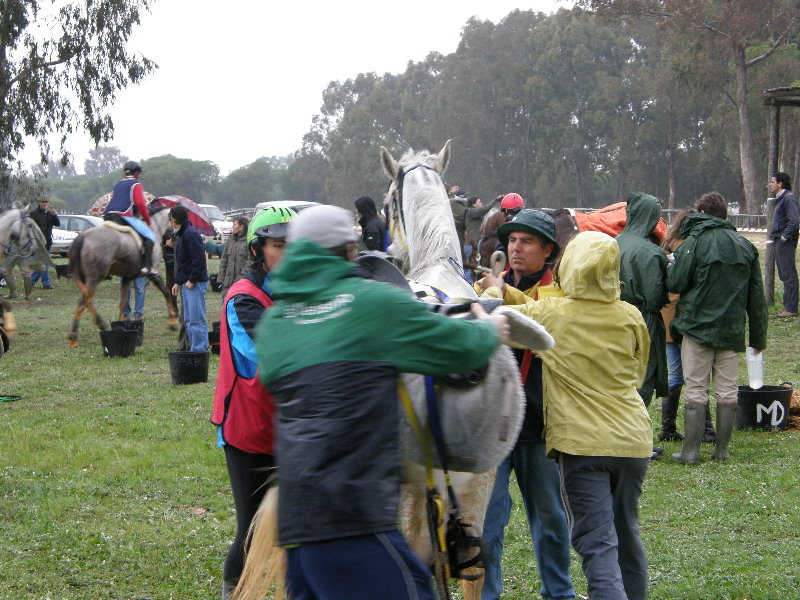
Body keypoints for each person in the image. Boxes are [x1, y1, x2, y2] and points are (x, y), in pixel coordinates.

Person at [254, 204, 509, 600]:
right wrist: (489, 328)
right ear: (351, 250)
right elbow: (458, 350)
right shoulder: (371, 303)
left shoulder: (275, 323)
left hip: (298, 526)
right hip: (356, 517)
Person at [480, 230, 652, 600]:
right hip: (634, 442)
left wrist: (495, 291)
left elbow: (492, 319)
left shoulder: (552, 313)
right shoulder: (630, 315)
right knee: (626, 536)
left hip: (584, 446)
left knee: (597, 544)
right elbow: (640, 369)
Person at [474, 209, 574, 600]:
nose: (516, 248)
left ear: (547, 249)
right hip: (492, 426)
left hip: (539, 425)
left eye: (527, 241)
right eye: (512, 240)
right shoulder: (487, 290)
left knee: (549, 520)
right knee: (486, 522)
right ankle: (487, 594)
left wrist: (494, 302)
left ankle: (559, 593)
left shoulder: (558, 294)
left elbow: (539, 329)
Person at [212, 206, 295, 600]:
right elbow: (274, 354)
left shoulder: (294, 291)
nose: (288, 252)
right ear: (259, 249)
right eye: (279, 245)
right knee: (250, 533)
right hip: (249, 431)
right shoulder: (242, 299)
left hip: (290, 430)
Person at [668, 192, 768, 464]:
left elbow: (676, 282)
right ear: (725, 215)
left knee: (696, 389)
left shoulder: (694, 243)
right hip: (731, 331)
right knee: (727, 390)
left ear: (700, 212)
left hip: (697, 328)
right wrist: (758, 338)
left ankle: (690, 451)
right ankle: (721, 450)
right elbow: (756, 299)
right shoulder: (745, 246)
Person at [103, 161, 158, 276]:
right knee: (150, 236)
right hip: (123, 215)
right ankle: (147, 267)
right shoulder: (135, 184)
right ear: (136, 172)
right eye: (139, 173)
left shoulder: (118, 184)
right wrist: (148, 222)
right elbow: (140, 203)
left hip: (107, 215)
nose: (139, 176)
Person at [170, 205, 209, 352]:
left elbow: (198, 260)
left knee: (196, 320)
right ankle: (194, 349)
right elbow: (183, 262)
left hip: (195, 284)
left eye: (170, 218)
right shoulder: (182, 234)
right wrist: (178, 282)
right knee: (188, 320)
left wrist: (192, 280)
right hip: (187, 284)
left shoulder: (190, 234)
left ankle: (199, 351)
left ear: (174, 219)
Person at [768, 171, 799, 318]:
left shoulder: (788, 198)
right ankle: (787, 306)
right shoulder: (781, 199)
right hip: (779, 241)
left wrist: (784, 237)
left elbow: (794, 221)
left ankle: (791, 309)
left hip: (784, 242)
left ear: (780, 184)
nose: (770, 184)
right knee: (784, 275)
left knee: (789, 274)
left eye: (772, 181)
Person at [28, 198, 60, 289]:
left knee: (42, 263)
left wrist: (54, 215)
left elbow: (57, 224)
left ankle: (31, 281)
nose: (44, 204)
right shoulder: (33, 214)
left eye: (46, 202)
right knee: (44, 262)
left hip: (48, 242)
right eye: (42, 202)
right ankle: (46, 283)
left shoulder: (50, 213)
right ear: (39, 203)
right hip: (38, 242)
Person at [218, 215, 250, 299]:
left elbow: (250, 261)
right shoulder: (230, 239)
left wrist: (241, 277)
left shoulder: (248, 241)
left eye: (235, 225)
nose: (233, 227)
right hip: (227, 283)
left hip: (241, 283)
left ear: (241, 227)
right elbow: (224, 259)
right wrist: (221, 279)